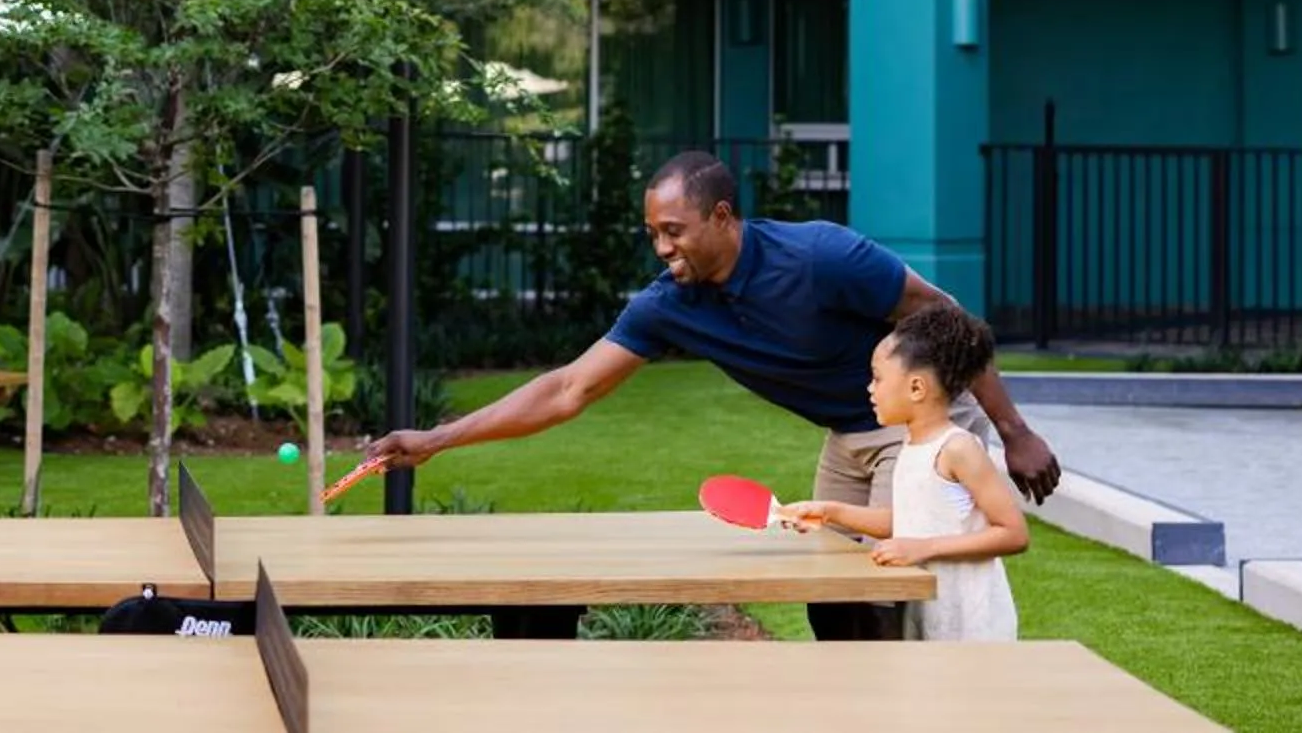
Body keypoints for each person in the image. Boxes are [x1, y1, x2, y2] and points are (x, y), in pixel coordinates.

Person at [361, 149, 1058, 640]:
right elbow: (569, 388)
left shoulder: (821, 256)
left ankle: (918, 703)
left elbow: (948, 323)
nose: (662, 248)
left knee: (884, 592)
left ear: (722, 217)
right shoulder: (672, 303)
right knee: (831, 596)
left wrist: (1014, 429)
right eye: (652, 235)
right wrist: (437, 439)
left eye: (673, 231)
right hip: (849, 430)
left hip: (919, 422)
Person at [785, 302, 1027, 641]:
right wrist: (829, 512)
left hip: (970, 619)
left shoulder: (958, 449)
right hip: (929, 609)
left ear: (916, 388)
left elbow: (1014, 534)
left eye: (878, 378)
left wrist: (923, 548)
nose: (869, 389)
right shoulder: (911, 447)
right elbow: (910, 521)